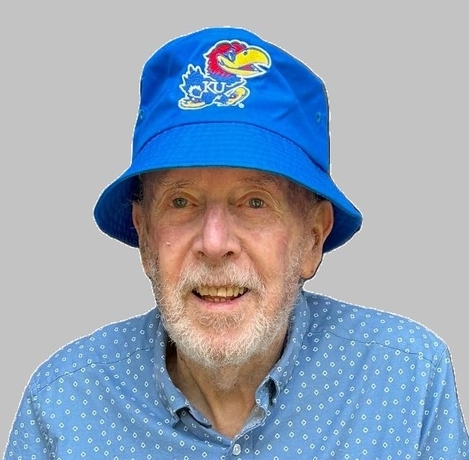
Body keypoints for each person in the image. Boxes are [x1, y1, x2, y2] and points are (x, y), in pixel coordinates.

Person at [4, 26, 468, 459]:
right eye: (181, 201)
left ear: (312, 238)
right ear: (144, 236)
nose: (214, 243)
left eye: (254, 203)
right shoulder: (64, 403)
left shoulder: (407, 381)